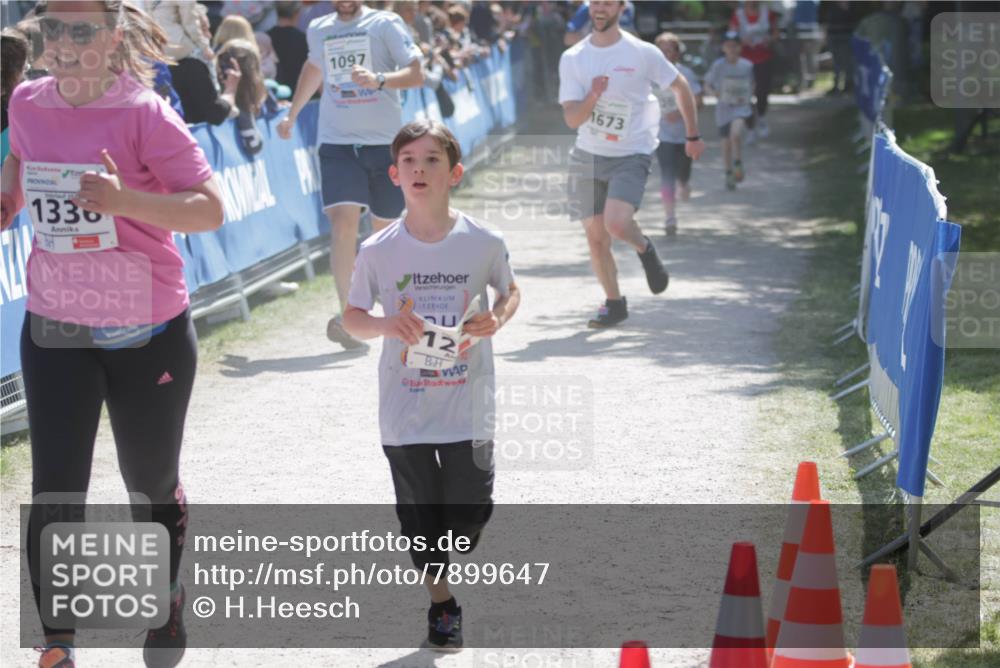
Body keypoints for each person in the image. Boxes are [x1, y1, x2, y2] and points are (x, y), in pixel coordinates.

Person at [1, 2, 224, 668]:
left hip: (144, 323)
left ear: (112, 37)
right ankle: (58, 640)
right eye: (52, 30)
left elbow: (211, 208)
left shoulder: (144, 114)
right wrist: (8, 201)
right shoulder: (26, 103)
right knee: (56, 485)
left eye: (80, 30)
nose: (64, 43)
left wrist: (123, 200)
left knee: (149, 480)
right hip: (57, 320)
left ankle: (167, 598)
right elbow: (20, 177)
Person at [341, 119, 520, 652]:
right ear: (395, 175)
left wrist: (498, 318)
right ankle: (442, 603)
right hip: (406, 407)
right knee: (419, 515)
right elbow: (352, 316)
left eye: (432, 160)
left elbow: (509, 292)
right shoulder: (377, 250)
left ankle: (461, 532)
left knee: (465, 523)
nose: (420, 169)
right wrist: (384, 325)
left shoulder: (484, 241)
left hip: (468, 402)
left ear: (454, 172)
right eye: (410, 161)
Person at [277, 0, 423, 350]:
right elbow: (314, 68)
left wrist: (380, 80)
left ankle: (392, 309)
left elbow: (416, 73)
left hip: (383, 144)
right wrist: (293, 113)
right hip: (337, 143)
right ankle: (350, 317)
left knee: (383, 233)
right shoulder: (320, 28)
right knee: (342, 225)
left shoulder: (385, 24)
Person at [558, 0, 704, 328]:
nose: (600, 8)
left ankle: (644, 248)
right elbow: (571, 118)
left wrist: (692, 135)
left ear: (622, 8)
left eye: (608, 2)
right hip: (587, 155)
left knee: (617, 224)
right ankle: (614, 303)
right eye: (595, 1)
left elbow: (680, 87)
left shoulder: (642, 52)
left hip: (631, 152)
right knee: (595, 238)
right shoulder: (573, 58)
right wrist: (593, 95)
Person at [653, 31, 701, 237]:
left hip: (684, 135)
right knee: (666, 176)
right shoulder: (649, 75)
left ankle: (684, 182)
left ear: (676, 53)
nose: (664, 54)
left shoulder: (686, 74)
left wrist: (680, 113)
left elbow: (699, 100)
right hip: (661, 135)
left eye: (669, 50)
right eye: (660, 50)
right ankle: (669, 217)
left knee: (682, 175)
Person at [169, 2, 243, 125]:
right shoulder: (192, 65)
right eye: (203, 30)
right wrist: (231, 89)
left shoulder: (169, 62)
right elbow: (215, 114)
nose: (209, 35)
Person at [704, 31, 755, 191]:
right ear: (723, 48)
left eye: (735, 46)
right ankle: (728, 173)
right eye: (728, 46)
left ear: (740, 47)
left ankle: (738, 162)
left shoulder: (747, 65)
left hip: (741, 107)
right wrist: (714, 94)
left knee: (736, 133)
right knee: (725, 143)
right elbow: (707, 85)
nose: (732, 49)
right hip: (723, 109)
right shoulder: (718, 65)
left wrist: (748, 95)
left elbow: (752, 84)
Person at [728, 0, 778, 138]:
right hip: (744, 60)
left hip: (763, 58)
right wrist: (741, 42)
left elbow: (775, 32)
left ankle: (761, 117)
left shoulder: (768, 14)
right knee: (745, 93)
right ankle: (750, 126)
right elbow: (731, 34)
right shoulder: (738, 15)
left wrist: (769, 40)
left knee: (762, 90)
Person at [268, 0, 309, 91]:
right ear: (297, 13)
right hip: (301, 95)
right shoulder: (306, 40)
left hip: (276, 95)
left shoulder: (266, 39)